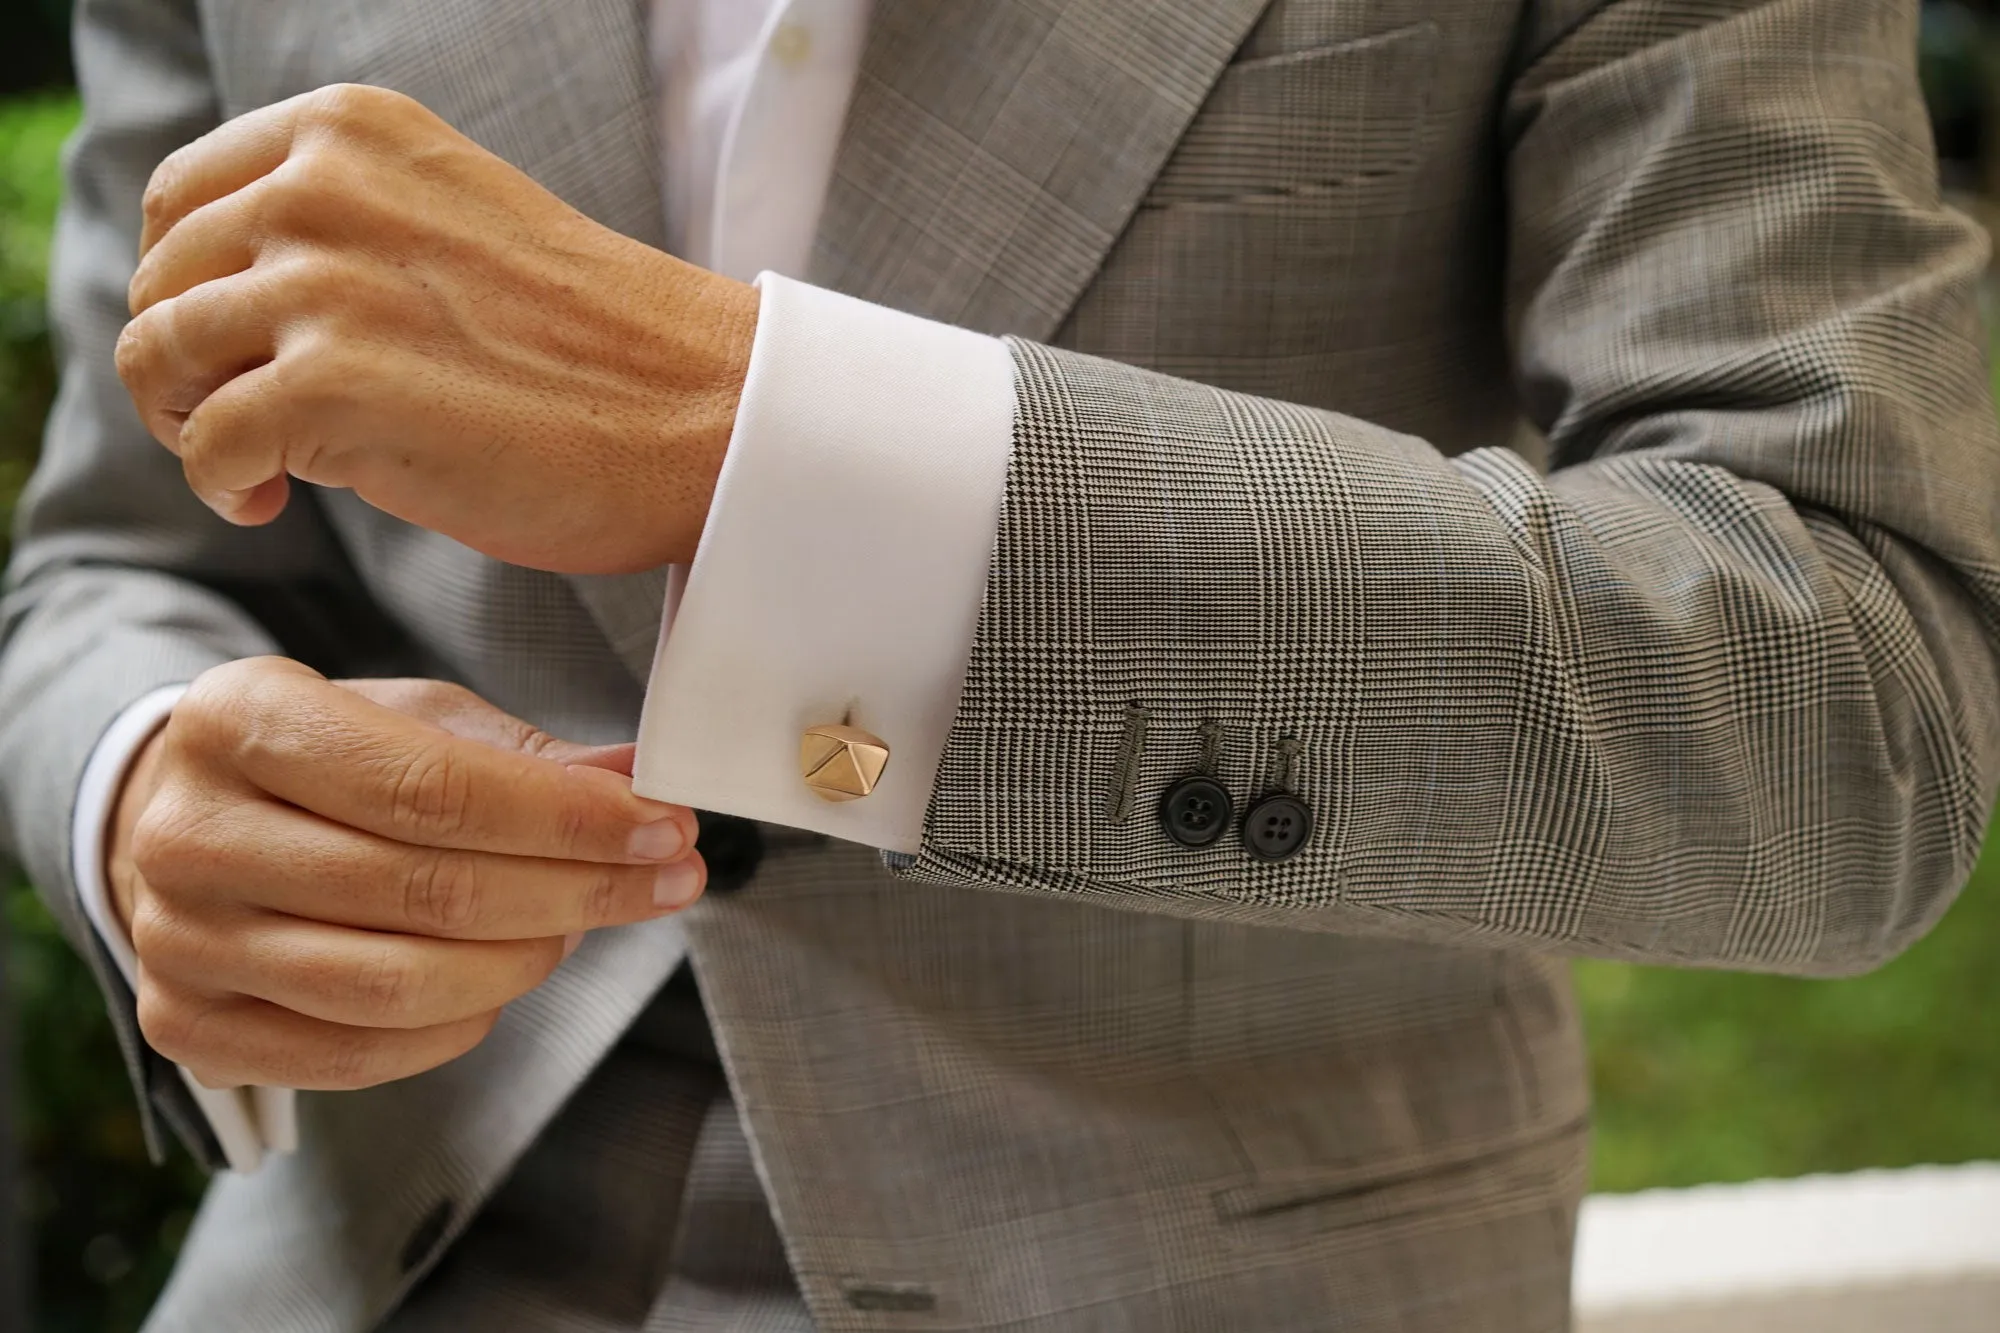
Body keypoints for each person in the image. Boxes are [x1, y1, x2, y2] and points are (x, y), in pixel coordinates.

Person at [4, 0, 1997, 1329]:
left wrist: (770, 451)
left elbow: (1843, 711)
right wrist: (144, 781)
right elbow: (112, 556)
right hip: (376, 1254)